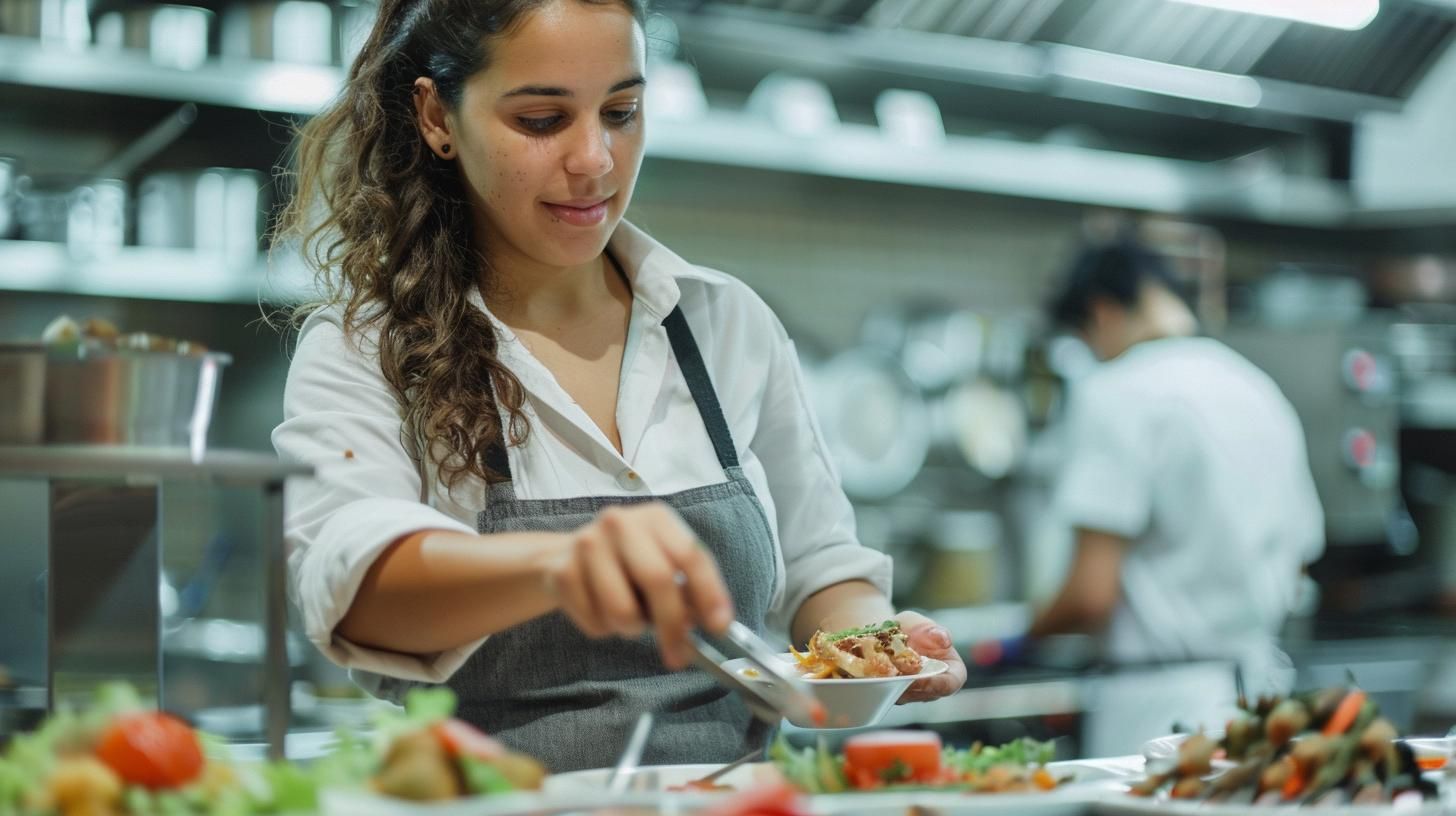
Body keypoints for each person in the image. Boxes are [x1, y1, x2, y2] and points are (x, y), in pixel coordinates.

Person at [270, 0, 965, 772]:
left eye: (623, 111)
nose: (596, 158)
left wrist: (877, 643)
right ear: (437, 116)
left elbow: (820, 569)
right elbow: (356, 583)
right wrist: (557, 565)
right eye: (542, 119)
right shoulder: (366, 349)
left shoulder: (723, 323)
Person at [976, 239, 1324, 695]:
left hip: (1159, 699)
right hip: (1261, 689)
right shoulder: (1256, 387)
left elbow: (1091, 594)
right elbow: (1299, 562)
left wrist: (1019, 642)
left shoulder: (1117, 391)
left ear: (1101, 313)